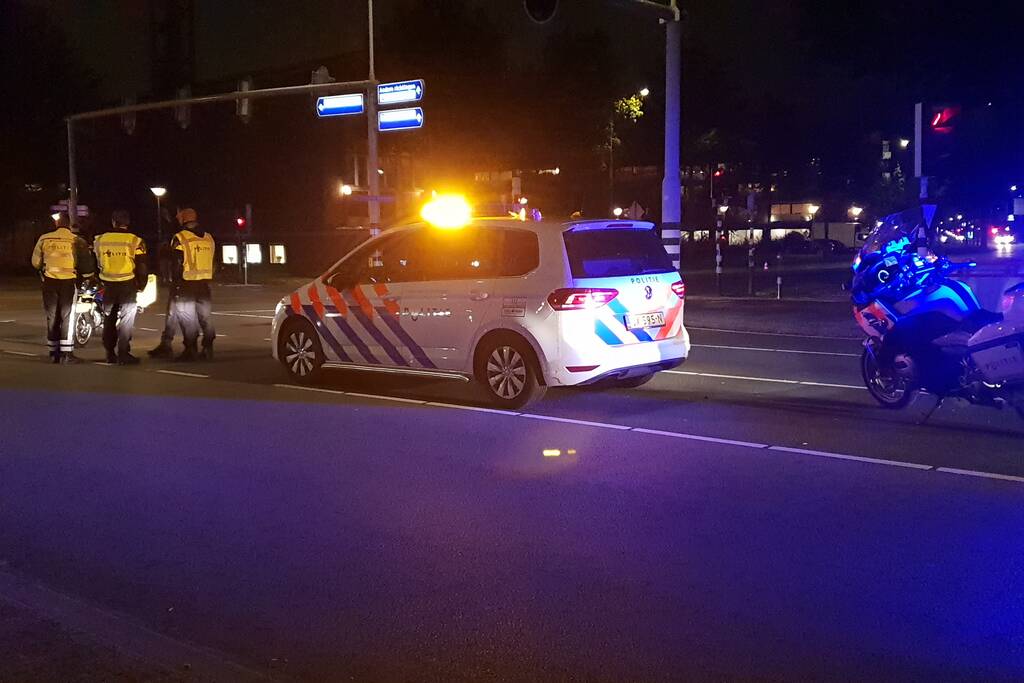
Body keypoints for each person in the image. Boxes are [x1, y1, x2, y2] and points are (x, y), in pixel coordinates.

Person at [30, 213, 95, 363]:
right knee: (67, 317)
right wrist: (88, 277)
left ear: (56, 224)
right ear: (69, 225)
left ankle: (54, 352)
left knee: (52, 316)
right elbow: (87, 267)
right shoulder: (76, 240)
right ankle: (67, 354)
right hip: (68, 283)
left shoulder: (44, 238)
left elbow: (35, 262)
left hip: (49, 282)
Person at [93, 210, 147, 365]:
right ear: (127, 223)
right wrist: (141, 284)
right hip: (127, 284)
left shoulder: (100, 240)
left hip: (108, 285)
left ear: (113, 222)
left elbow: (94, 260)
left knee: (109, 319)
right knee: (126, 320)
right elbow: (142, 264)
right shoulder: (135, 240)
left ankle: (109, 353)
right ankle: (123, 353)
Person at [169, 208, 216, 361]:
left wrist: (174, 282)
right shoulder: (209, 238)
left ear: (183, 220)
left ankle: (191, 350)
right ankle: (208, 347)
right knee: (206, 318)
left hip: (186, 283)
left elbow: (177, 263)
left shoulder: (180, 237)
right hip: (205, 283)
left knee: (187, 318)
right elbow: (214, 260)